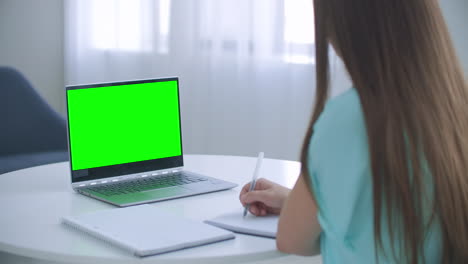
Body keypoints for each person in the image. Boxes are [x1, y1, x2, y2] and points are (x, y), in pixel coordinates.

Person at [239, 0, 468, 263]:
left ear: (343, 29)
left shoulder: (347, 119)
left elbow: (292, 240)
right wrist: (294, 200)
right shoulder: (455, 105)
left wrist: (296, 208)